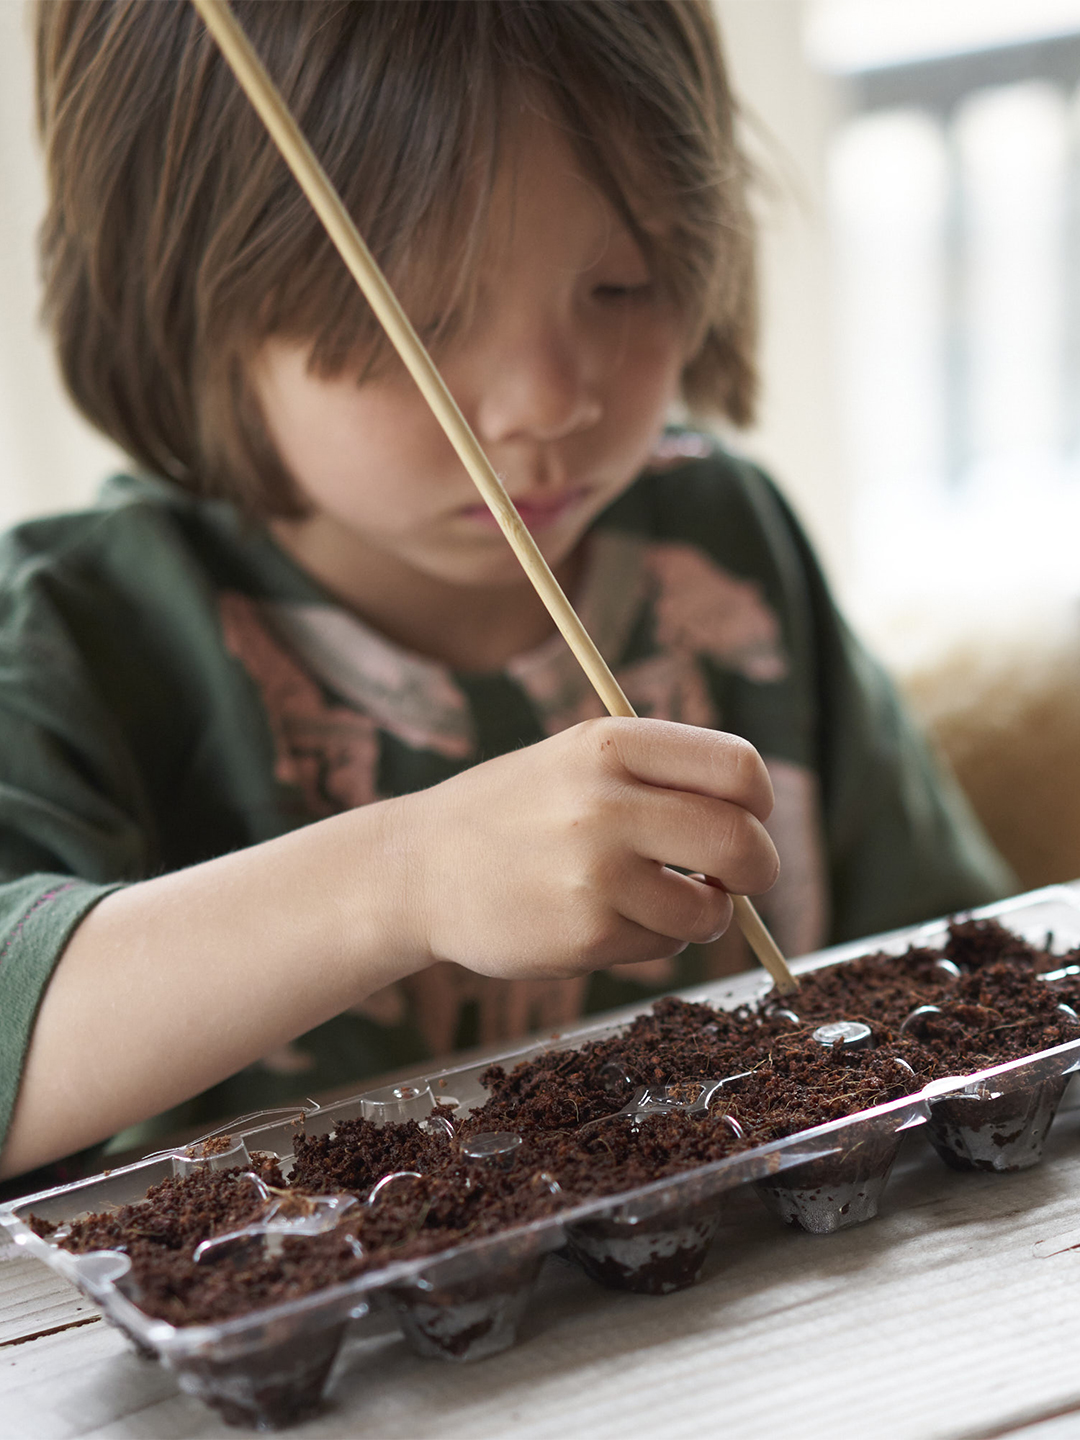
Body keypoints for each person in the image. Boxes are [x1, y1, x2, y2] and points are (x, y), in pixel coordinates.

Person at [0, 0, 1011, 1186]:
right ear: (180, 298)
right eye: (422, 318)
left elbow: (969, 970)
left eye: (621, 285)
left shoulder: (720, 538)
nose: (549, 406)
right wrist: (401, 878)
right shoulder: (80, 632)